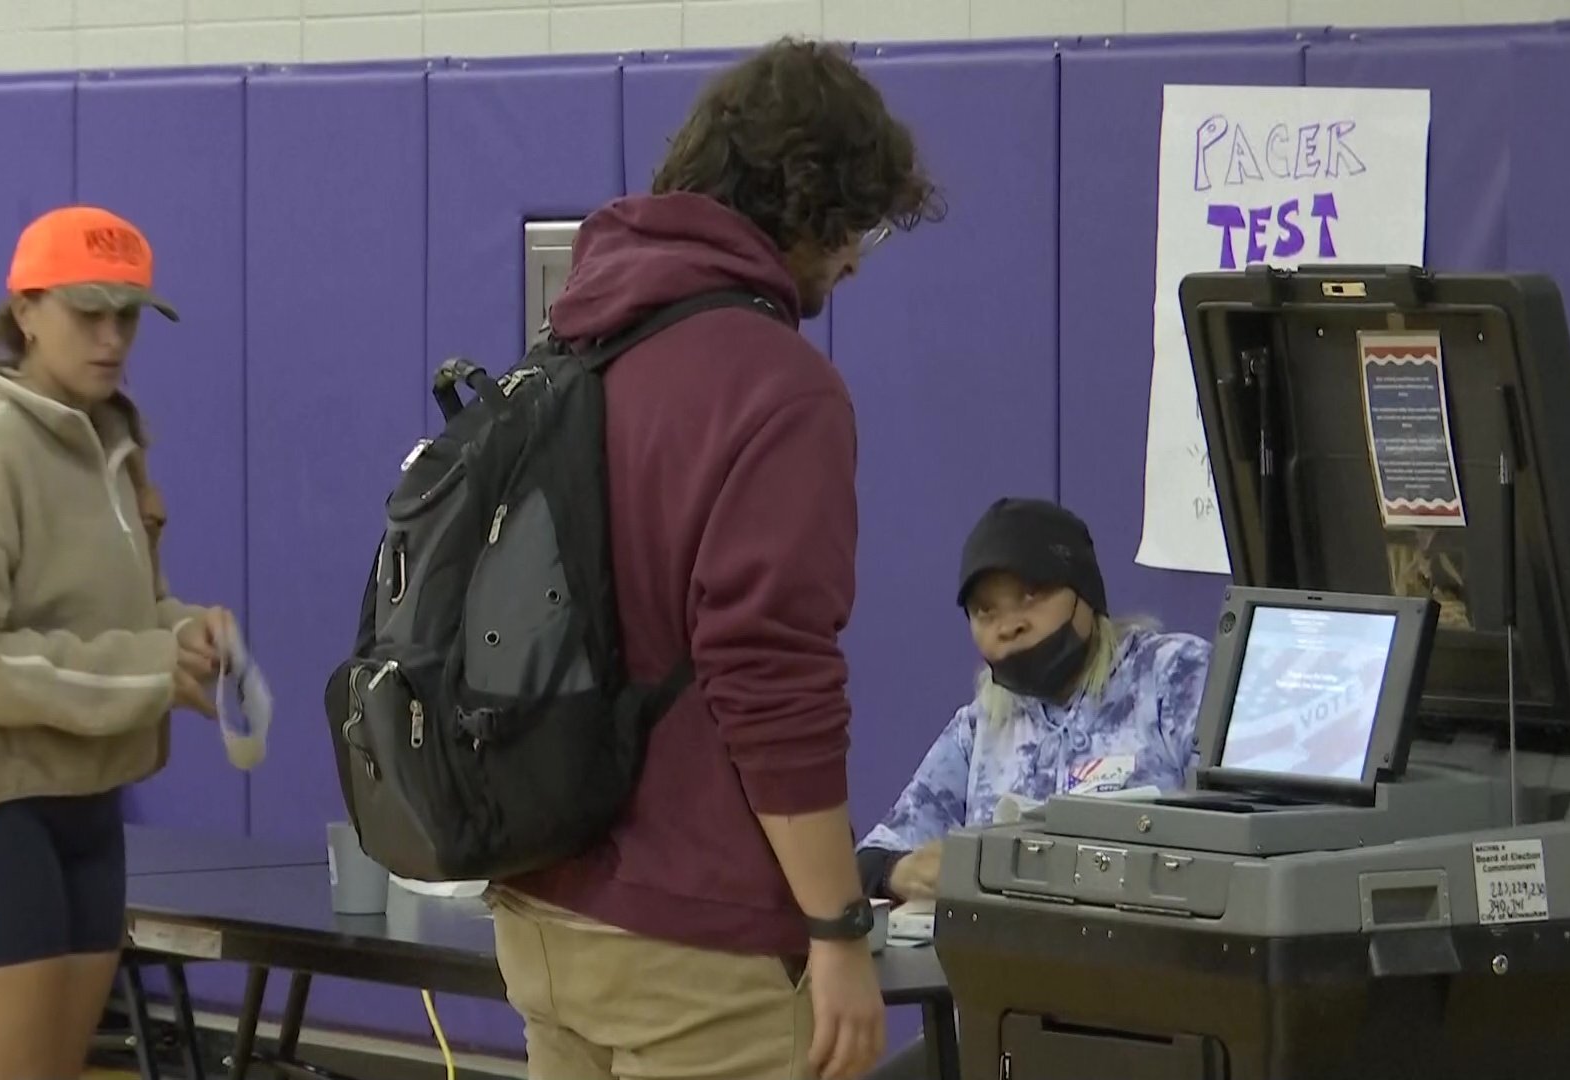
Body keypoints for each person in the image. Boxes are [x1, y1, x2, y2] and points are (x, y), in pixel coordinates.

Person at [483, 36, 942, 1080]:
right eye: (856, 225)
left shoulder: (577, 341)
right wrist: (838, 929)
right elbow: (768, 671)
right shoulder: (780, 387)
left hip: (543, 907)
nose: (856, 260)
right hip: (696, 947)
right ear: (809, 202)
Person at [0, 204, 235, 1080]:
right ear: (27, 312)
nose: (112, 338)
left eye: (128, 318)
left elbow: (124, 617)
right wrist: (147, 673)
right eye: (89, 314)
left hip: (90, 799)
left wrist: (184, 633)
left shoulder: (116, 446)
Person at [857, 497, 1214, 905]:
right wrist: (901, 872)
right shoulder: (981, 727)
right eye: (985, 611)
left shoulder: (1172, 675)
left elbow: (1239, 828)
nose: (1009, 626)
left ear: (1083, 593)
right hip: (1004, 942)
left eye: (1031, 596)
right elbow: (873, 858)